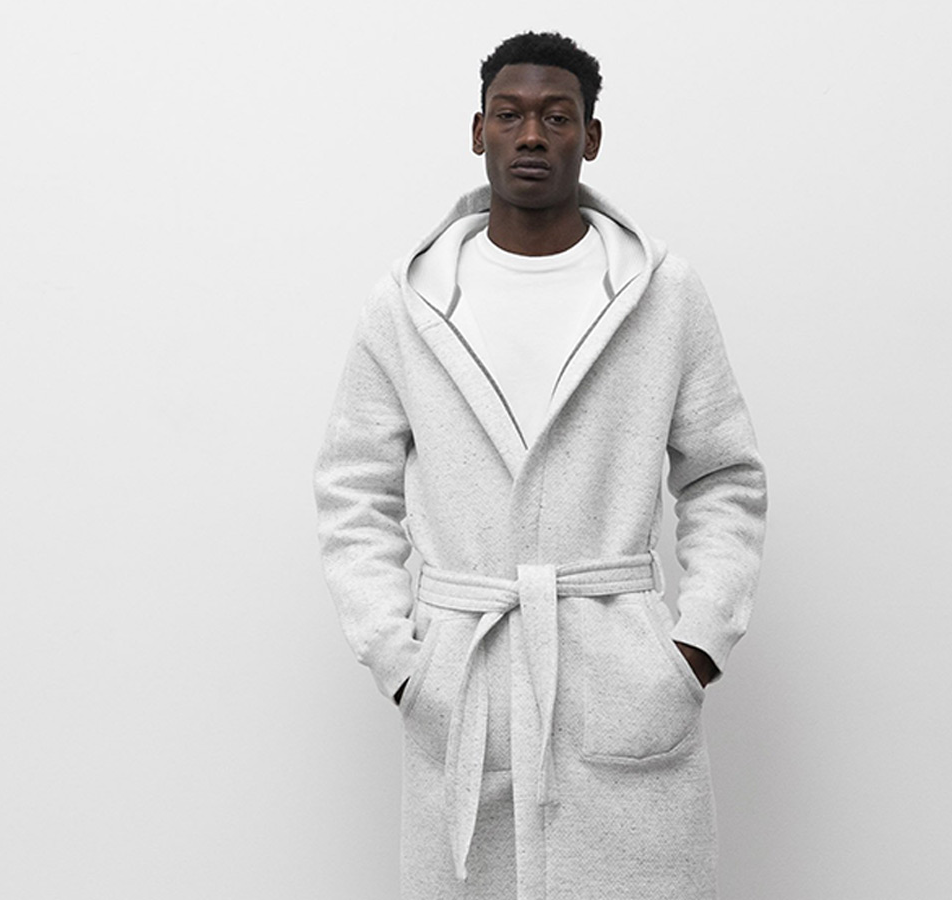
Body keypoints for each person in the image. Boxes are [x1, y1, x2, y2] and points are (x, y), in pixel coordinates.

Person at [314, 31, 767, 900]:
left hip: (619, 669)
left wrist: (694, 645)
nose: (531, 135)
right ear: (477, 129)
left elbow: (723, 477)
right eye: (510, 114)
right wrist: (401, 661)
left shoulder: (662, 294)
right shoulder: (406, 306)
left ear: (590, 136)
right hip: (467, 675)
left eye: (557, 117)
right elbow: (351, 492)